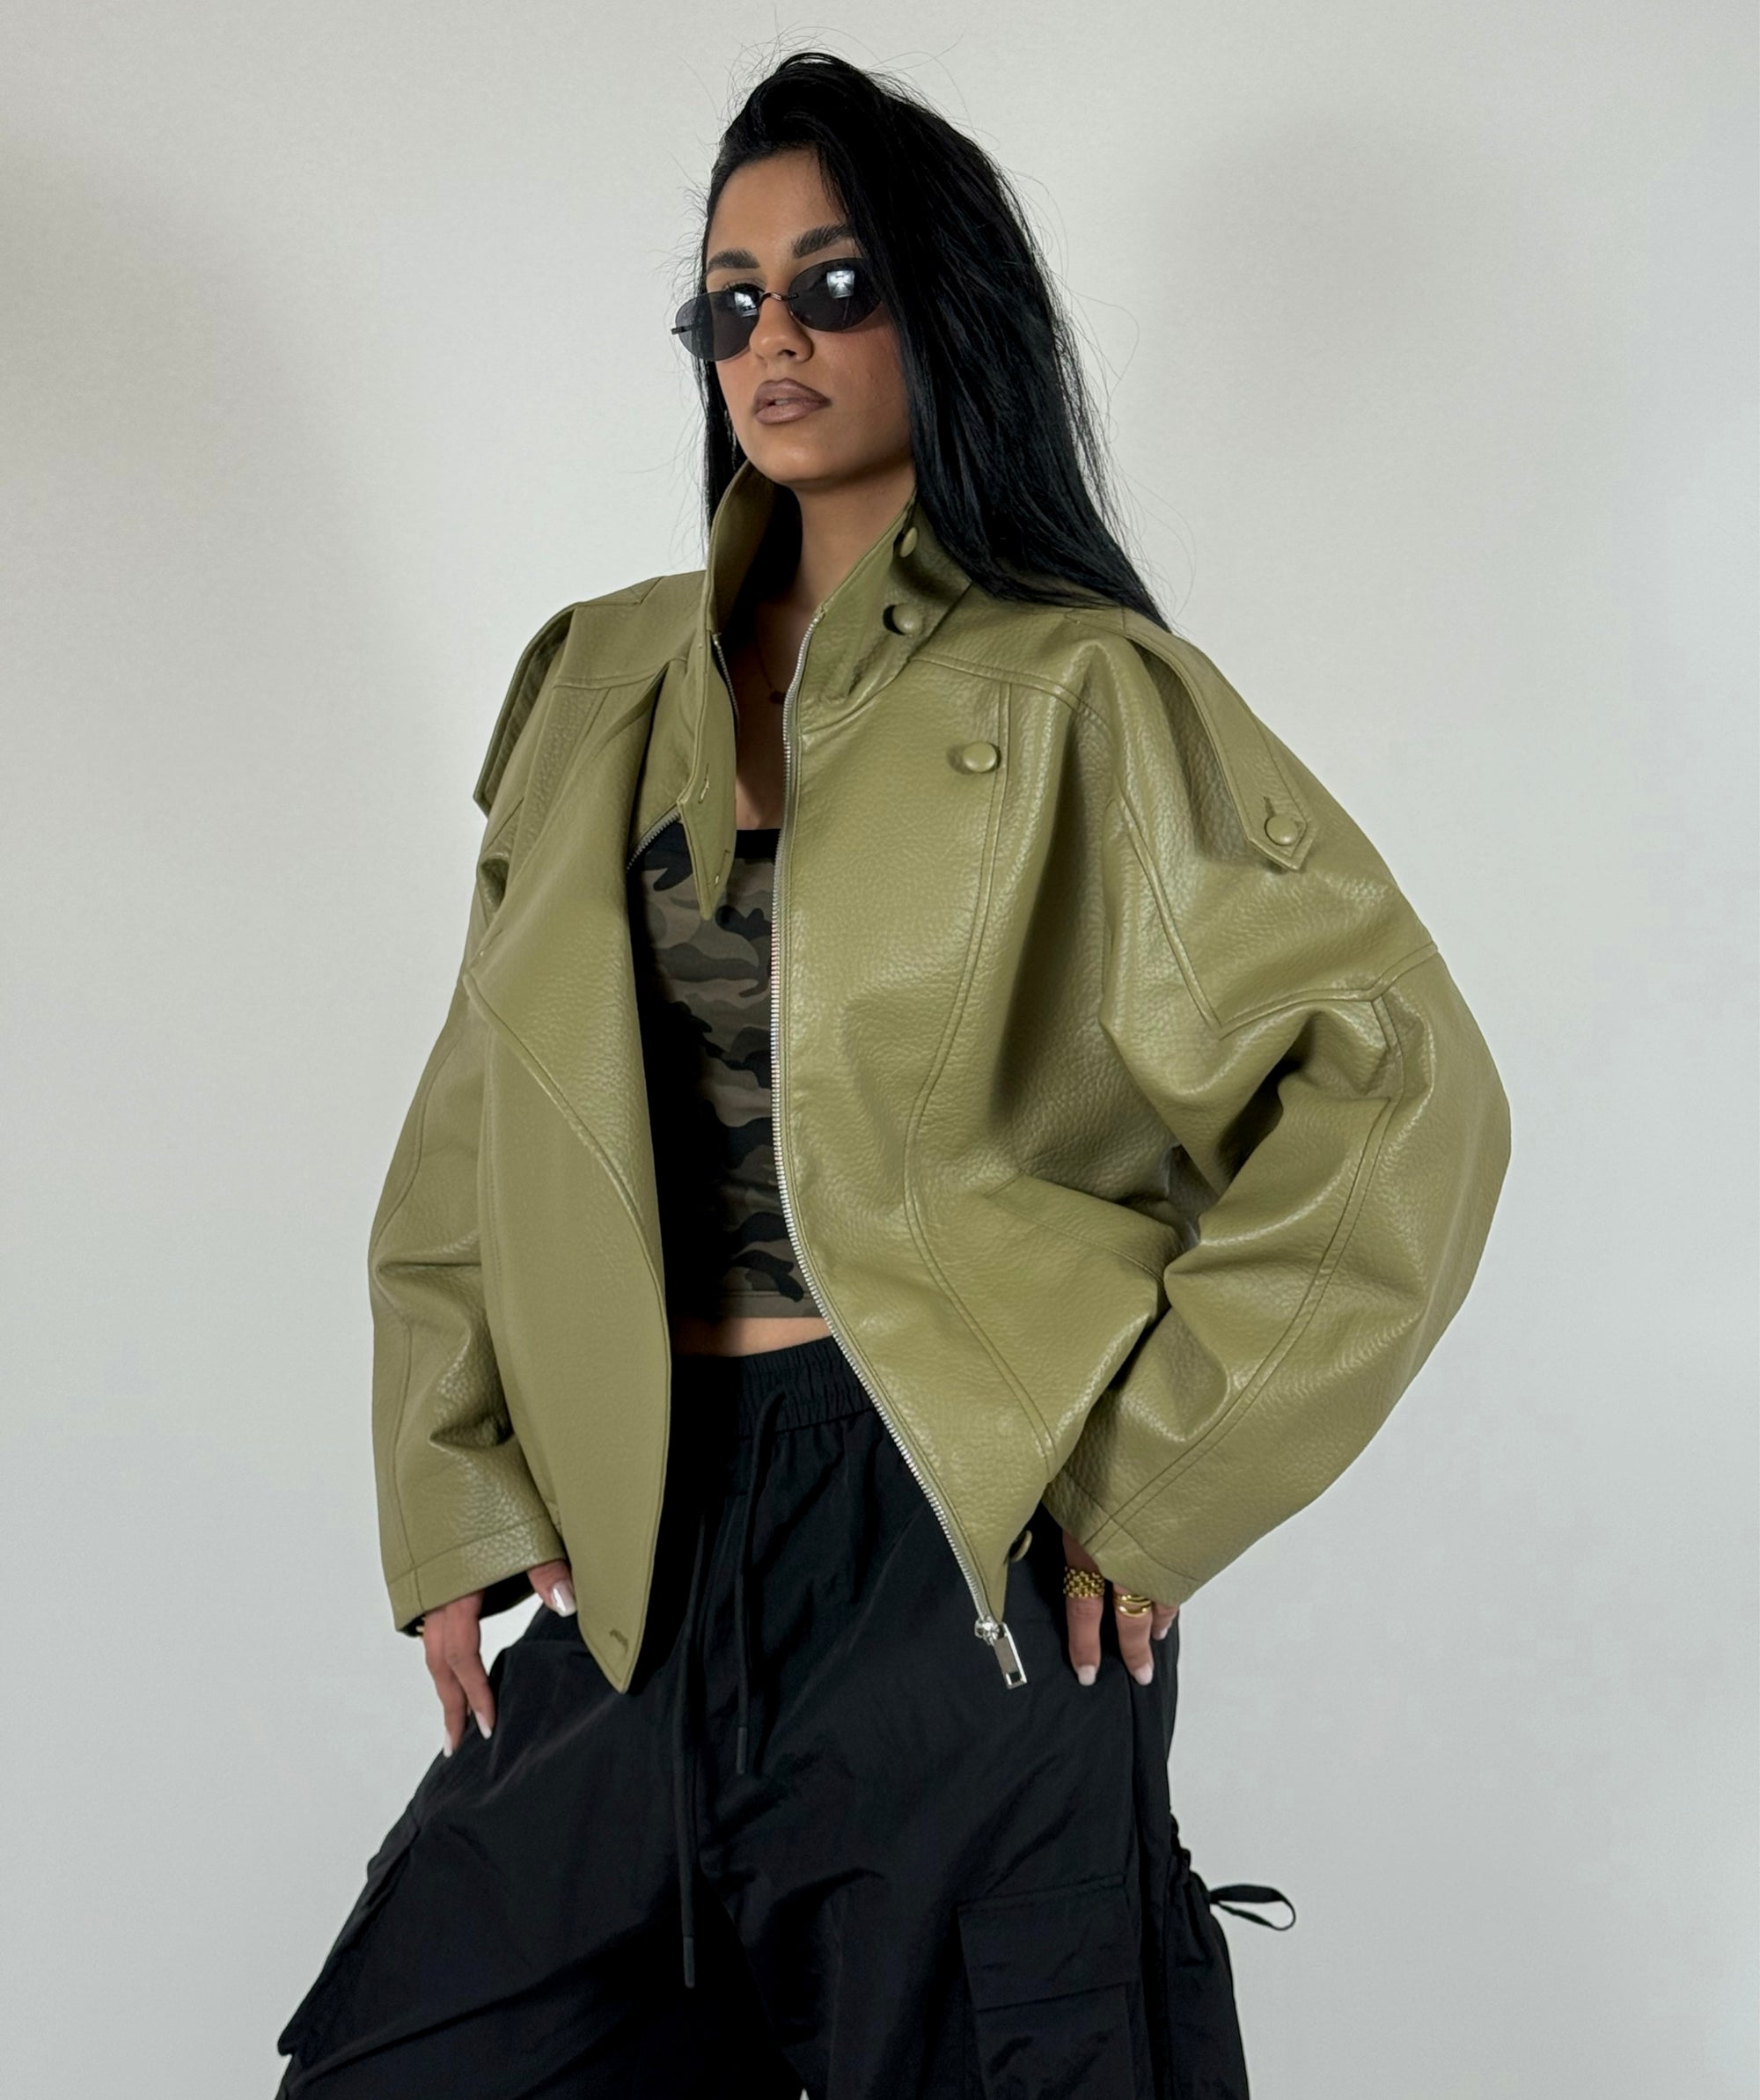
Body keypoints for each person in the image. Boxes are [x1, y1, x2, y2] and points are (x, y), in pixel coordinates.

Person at [274, 48, 1510, 2100]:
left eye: (832, 287)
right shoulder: (597, 680)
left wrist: (1154, 1485)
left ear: (942, 307)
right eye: (729, 301)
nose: (772, 340)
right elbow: (477, 1109)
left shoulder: (1083, 692)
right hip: (642, 1522)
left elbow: (1395, 1084)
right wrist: (456, 1472)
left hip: (953, 1543)